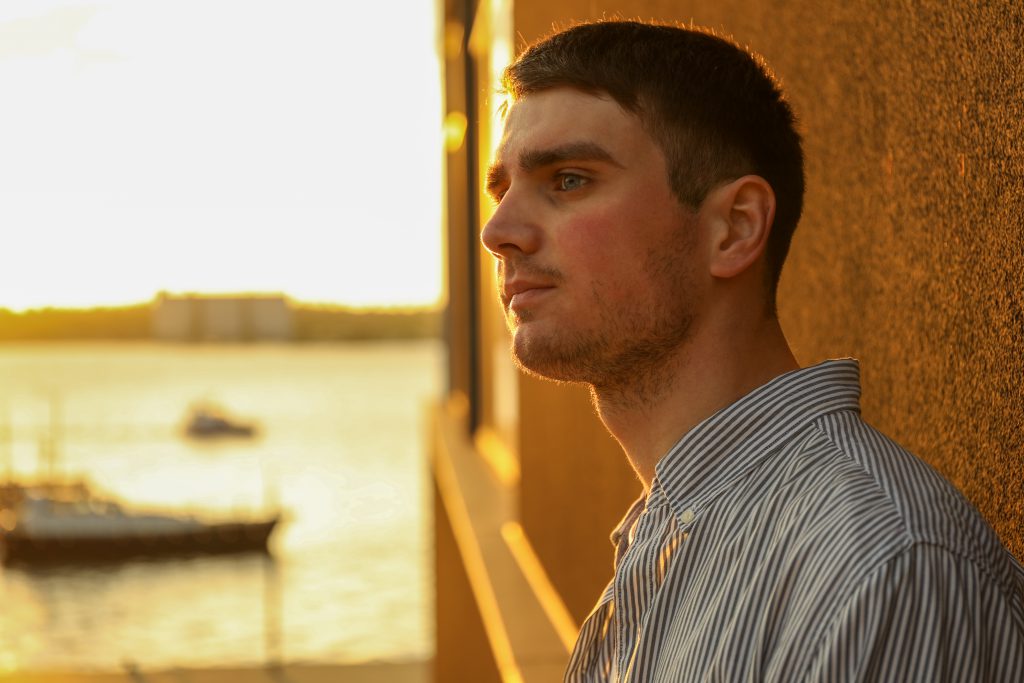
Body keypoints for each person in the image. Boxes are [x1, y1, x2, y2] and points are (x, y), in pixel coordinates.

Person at [480, 20, 1024, 682]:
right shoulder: (670, 533)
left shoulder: (877, 569)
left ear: (735, 229)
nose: (498, 231)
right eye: (501, 188)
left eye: (567, 179)